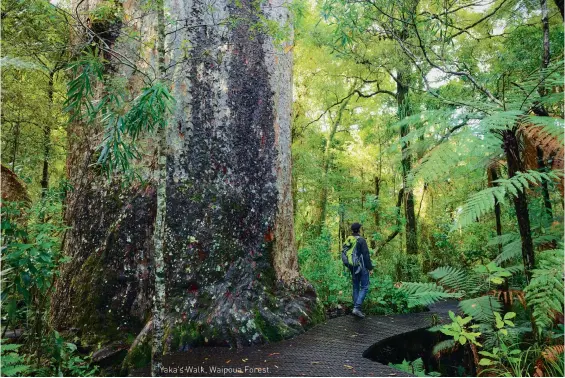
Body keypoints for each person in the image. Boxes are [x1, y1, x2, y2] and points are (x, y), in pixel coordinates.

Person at [349, 222, 373, 318]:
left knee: (355, 287)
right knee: (365, 287)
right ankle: (357, 308)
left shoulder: (348, 240)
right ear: (359, 230)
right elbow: (366, 255)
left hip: (353, 267)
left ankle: (356, 309)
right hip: (362, 267)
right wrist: (370, 268)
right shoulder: (361, 240)